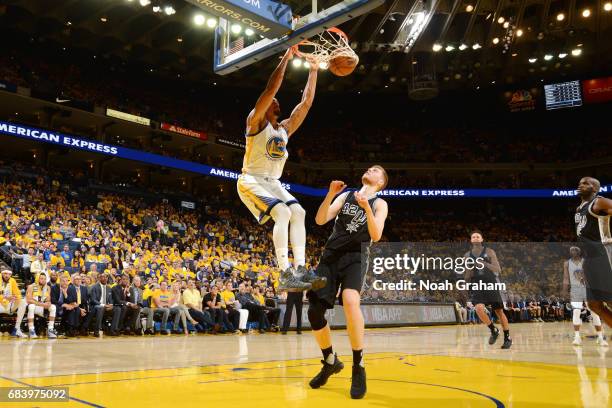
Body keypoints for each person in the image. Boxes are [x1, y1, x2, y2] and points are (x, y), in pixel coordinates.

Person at [237, 47, 324, 292]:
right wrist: (287, 56)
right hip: (250, 180)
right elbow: (271, 88)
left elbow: (305, 103)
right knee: (283, 213)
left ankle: (300, 269)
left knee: (299, 212)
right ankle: (284, 272)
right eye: (270, 100)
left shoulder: (284, 129)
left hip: (273, 182)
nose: (275, 100)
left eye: (276, 101)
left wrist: (314, 70)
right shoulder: (255, 122)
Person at [307, 166, 389, 400]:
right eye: (369, 168)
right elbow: (320, 219)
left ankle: (358, 365)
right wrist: (330, 194)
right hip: (330, 256)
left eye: (376, 171)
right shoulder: (347, 195)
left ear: (381, 182)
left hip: (356, 256)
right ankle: (330, 361)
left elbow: (375, 235)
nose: (370, 170)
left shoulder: (380, 203)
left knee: (351, 300)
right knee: (314, 312)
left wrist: (366, 209)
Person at [464, 230, 512, 349]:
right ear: (471, 240)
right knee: (479, 308)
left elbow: (498, 269)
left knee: (499, 311)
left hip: (491, 282)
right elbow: (467, 275)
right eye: (473, 237)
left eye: (477, 236)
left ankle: (507, 337)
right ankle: (493, 329)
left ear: (481, 239)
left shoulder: (489, 251)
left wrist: (484, 264)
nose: (475, 238)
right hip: (477, 284)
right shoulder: (467, 255)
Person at [574, 177, 612, 327]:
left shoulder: (599, 202)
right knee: (594, 305)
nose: (581, 185)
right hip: (589, 260)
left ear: (595, 189)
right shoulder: (579, 209)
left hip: (602, 255)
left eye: (586, 183)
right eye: (580, 183)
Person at [25, 273, 57, 339]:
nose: (43, 280)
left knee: (53, 307)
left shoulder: (48, 288)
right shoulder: (31, 286)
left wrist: (48, 303)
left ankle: (50, 329)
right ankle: (31, 330)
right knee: (31, 306)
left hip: (43, 307)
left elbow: (48, 299)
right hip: (34, 307)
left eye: (45, 279)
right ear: (37, 279)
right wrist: (42, 304)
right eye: (41, 278)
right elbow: (28, 300)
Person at [0, 268, 27, 338]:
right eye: (5, 273)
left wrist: (16, 297)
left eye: (9, 274)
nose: (7, 275)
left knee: (23, 302)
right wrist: (5, 297)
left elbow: (18, 293)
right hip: (0, 304)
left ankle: (17, 329)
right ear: (2, 273)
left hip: (9, 305)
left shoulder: (12, 280)